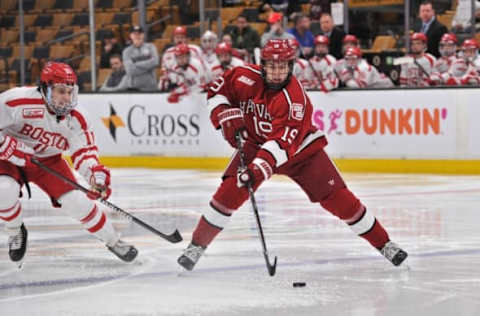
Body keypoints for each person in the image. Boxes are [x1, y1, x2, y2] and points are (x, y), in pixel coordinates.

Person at [177, 39, 408, 272]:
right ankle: (196, 247)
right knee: (227, 194)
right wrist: (224, 114)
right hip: (255, 144)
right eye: (272, 66)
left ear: (291, 66)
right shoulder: (242, 75)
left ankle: (385, 244)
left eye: (282, 67)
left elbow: (280, 145)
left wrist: (256, 171)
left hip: (300, 153)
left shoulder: (295, 100)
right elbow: (216, 91)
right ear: (263, 64)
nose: (277, 73)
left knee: (339, 200)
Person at [0, 62, 137, 266]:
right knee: (3, 190)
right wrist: (7, 145)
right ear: (45, 89)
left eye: (70, 91)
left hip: (49, 161)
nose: (67, 97)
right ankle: (15, 230)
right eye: (60, 91)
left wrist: (95, 177)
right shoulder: (16, 100)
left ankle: (113, 240)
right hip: (9, 159)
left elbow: (84, 152)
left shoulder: (77, 118)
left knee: (77, 202)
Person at [159, 26, 205, 90]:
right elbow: (165, 70)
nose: (179, 40)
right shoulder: (168, 52)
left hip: (195, 81)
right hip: (176, 82)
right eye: (177, 37)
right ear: (173, 39)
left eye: (182, 37)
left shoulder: (195, 49)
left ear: (186, 38)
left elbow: (203, 67)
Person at [122, 25, 159, 91]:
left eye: (139, 33)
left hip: (151, 87)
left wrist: (136, 64)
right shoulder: (126, 51)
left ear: (143, 35)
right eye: (134, 34)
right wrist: (148, 66)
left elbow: (155, 62)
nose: (137, 36)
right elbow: (130, 71)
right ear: (130, 36)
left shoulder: (151, 47)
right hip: (134, 88)